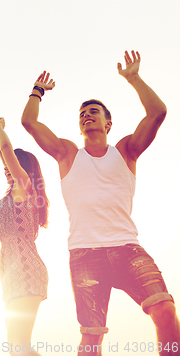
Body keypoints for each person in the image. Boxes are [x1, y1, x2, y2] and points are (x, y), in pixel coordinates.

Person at [21, 51, 179, 356]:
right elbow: (29, 121)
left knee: (164, 310)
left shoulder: (126, 151)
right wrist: (37, 91)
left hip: (127, 248)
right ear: (80, 127)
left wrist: (134, 78)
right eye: (82, 114)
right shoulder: (68, 153)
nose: (86, 115)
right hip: (84, 255)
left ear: (108, 123)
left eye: (94, 111)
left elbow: (158, 112)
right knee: (91, 339)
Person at [0, 118, 49, 356]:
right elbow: (7, 158)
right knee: (16, 347)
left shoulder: (24, 187)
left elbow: (10, 154)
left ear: (24, 169)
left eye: (13, 164)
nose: (6, 166)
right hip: (11, 271)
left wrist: (0, 131)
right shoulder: (14, 191)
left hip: (25, 269)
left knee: (19, 345)